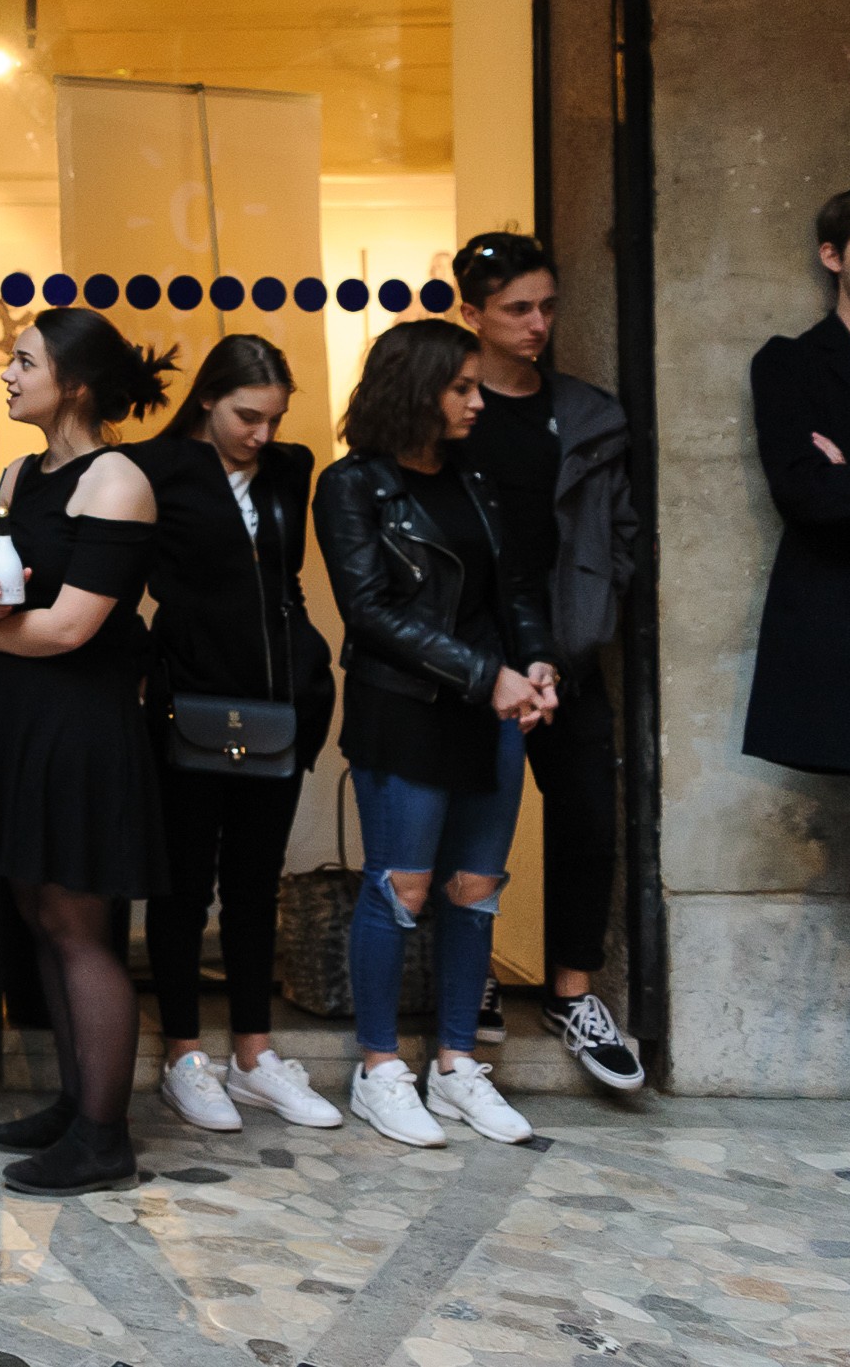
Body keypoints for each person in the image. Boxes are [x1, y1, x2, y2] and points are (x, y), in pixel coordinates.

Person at [313, 317, 556, 1152]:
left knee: (475, 889)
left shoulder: (475, 475)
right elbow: (370, 612)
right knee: (401, 888)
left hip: (490, 707)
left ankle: (455, 1064)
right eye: (461, 386)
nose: (477, 400)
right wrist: (488, 674)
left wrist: (536, 661)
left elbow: (514, 588)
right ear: (416, 390)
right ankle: (380, 1067)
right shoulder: (353, 484)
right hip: (406, 708)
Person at [0, 307, 169, 1198]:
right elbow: (19, 592)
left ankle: (104, 1137)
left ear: (74, 384)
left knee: (80, 926)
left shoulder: (117, 478)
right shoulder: (20, 472)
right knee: (40, 910)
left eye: (25, 361)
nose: (9, 374)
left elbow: (72, 627)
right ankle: (77, 1100)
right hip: (24, 719)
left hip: (82, 727)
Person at [451, 231, 648, 1089]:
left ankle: (572, 991)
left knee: (586, 819)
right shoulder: (452, 411)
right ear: (472, 312)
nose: (537, 323)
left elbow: (622, 526)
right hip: (469, 656)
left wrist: (597, 605)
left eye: (548, 305)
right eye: (517, 308)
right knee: (469, 827)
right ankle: (472, 977)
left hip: (565, 651)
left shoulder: (588, 412)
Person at [132, 335, 339, 1135]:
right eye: (247, 415)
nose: (262, 432)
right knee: (184, 885)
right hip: (190, 700)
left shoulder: (290, 467)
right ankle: (185, 1055)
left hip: (278, 704)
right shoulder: (155, 468)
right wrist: (154, 667)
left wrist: (309, 664)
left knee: (256, 882)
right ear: (208, 399)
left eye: (274, 418)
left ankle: (254, 1055)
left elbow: (283, 580)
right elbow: (128, 580)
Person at [746, 183, 850, 778]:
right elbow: (807, 495)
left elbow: (838, 490)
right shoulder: (789, 363)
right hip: (847, 625)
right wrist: (829, 485)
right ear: (832, 255)